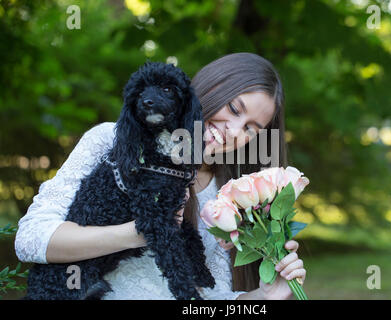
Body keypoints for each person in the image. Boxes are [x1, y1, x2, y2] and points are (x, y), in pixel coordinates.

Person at [15, 52, 306, 300]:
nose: (233, 129)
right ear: (209, 88)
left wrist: (263, 296)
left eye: (250, 129)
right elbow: (31, 239)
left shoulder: (230, 195)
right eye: (232, 109)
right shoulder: (110, 141)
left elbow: (204, 298)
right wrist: (138, 233)